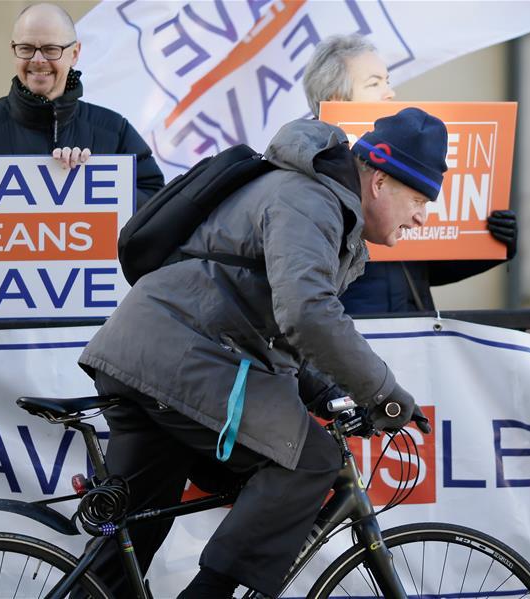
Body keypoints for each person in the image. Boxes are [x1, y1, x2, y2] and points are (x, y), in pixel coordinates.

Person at [77, 107, 442, 598]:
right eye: (418, 198)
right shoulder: (311, 200)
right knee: (310, 460)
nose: (423, 216)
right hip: (182, 355)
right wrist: (384, 393)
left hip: (149, 355)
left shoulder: (316, 199)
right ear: (379, 180)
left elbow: (278, 325)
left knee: (128, 540)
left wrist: (327, 392)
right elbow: (307, 312)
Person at [302, 34, 517, 313]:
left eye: (387, 81)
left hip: (412, 328)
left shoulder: (402, 161)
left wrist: (492, 243)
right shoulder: (307, 172)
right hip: (350, 332)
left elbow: (423, 268)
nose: (389, 93)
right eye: (374, 83)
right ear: (336, 98)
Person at [0, 2, 164, 200]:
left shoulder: (114, 133)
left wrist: (96, 182)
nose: (38, 60)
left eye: (51, 49)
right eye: (26, 48)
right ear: (14, 51)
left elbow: (157, 208)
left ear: (74, 53)